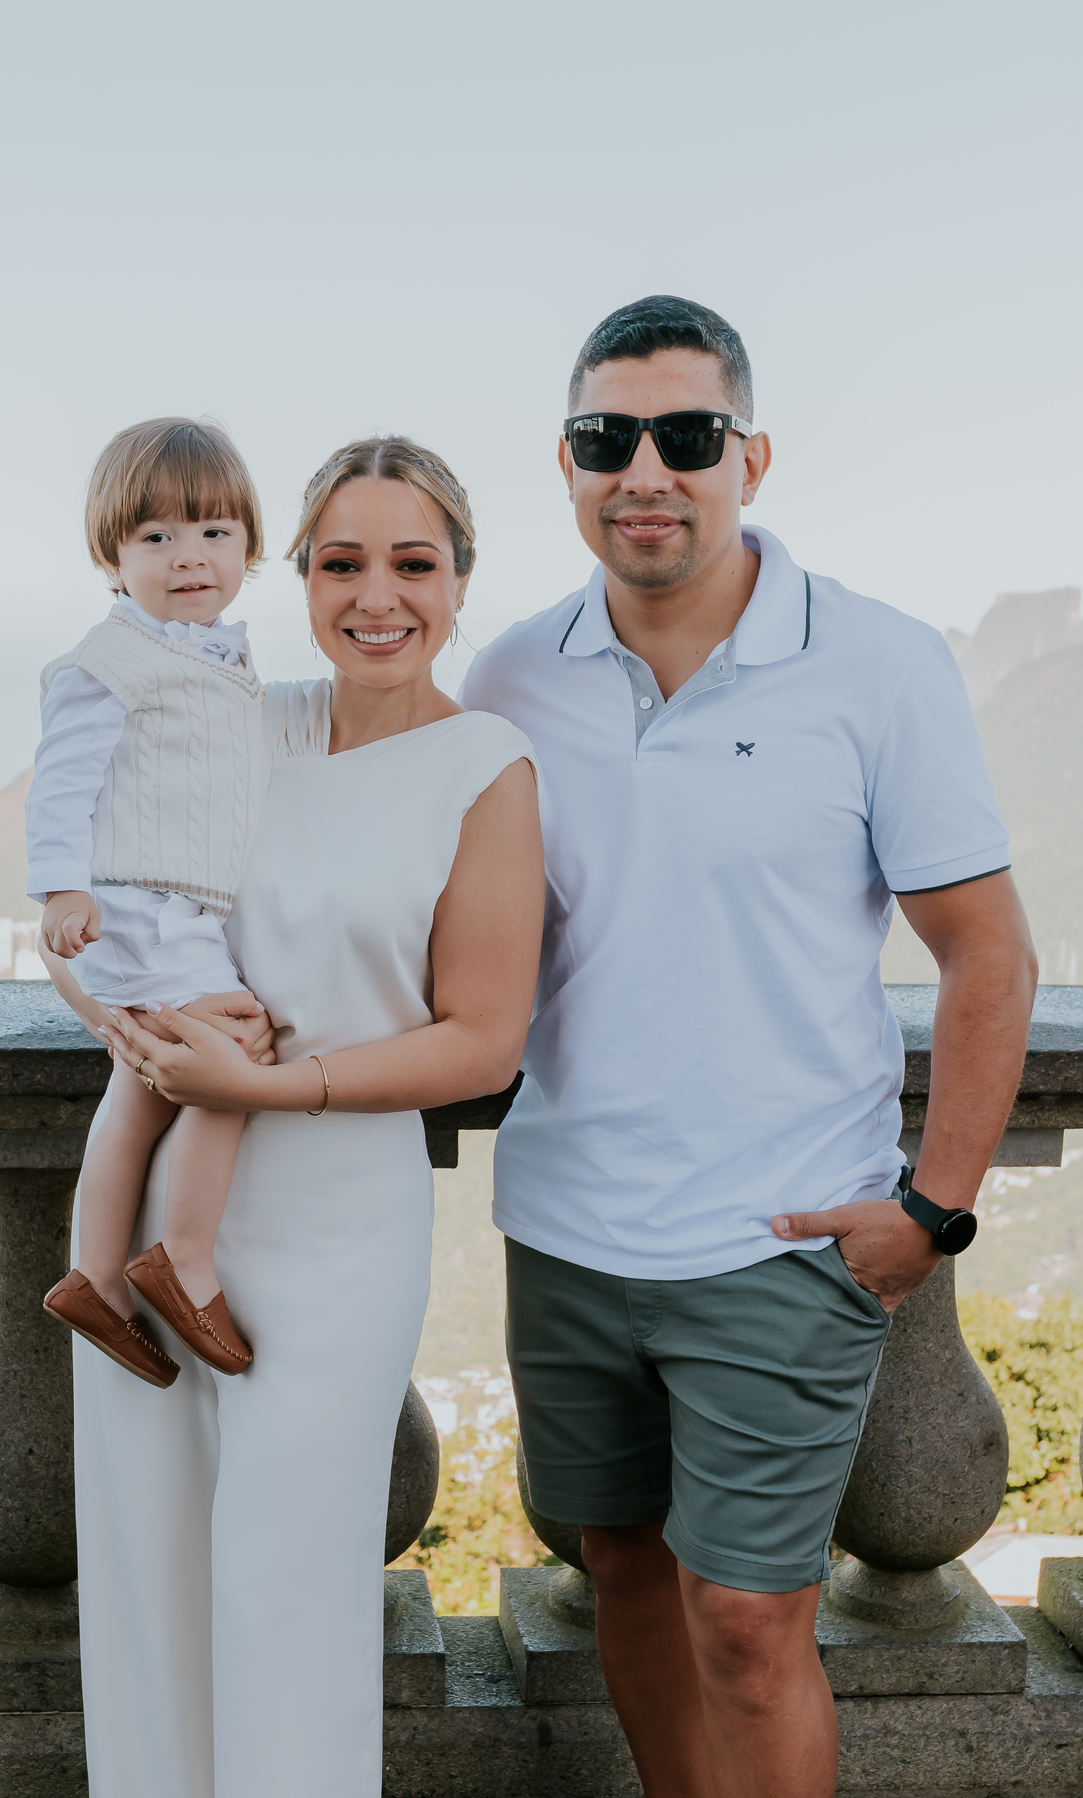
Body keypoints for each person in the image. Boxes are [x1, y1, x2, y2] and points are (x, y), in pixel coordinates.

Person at [461, 295, 1038, 1798]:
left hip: (783, 1239)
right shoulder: (513, 676)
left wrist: (933, 1209)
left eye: (687, 435)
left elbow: (988, 953)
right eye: (607, 438)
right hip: (569, 1231)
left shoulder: (877, 662)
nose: (645, 469)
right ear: (569, 463)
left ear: (751, 457)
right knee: (628, 1579)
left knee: (750, 1622)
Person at [80, 436, 544, 1797]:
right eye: (341, 561)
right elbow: (84, 888)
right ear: (297, 575)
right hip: (156, 1204)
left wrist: (270, 1085)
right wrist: (118, 1015)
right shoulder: (233, 719)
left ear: (462, 576)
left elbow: (483, 1035)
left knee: (287, 1590)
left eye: (414, 561)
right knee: (151, 1579)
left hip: (336, 1220)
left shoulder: (486, 764)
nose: (376, 594)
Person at [33, 417, 272, 1383]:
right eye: (157, 538)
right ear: (113, 554)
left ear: (251, 547)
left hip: (171, 910)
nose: (190, 558)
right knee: (237, 1054)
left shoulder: (213, 657)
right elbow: (62, 782)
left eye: (215, 532)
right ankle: (184, 1257)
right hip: (142, 910)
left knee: (137, 1090)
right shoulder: (114, 656)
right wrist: (60, 890)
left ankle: (94, 1271)